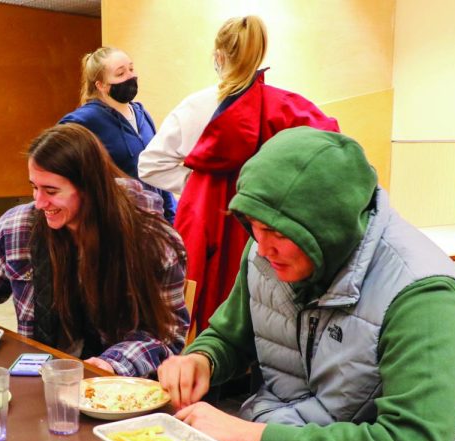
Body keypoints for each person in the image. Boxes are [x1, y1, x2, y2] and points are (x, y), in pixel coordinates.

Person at [157, 128, 455, 441]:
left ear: (327, 231)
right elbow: (232, 336)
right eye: (255, 228)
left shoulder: (421, 294)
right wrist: (203, 359)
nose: (262, 247)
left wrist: (255, 436)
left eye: (276, 232)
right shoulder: (267, 248)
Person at [0, 123, 189, 377]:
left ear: (90, 188)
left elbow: (166, 334)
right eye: (34, 187)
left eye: (51, 190)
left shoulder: (151, 241)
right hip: (45, 378)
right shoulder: (19, 229)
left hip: (122, 393)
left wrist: (111, 365)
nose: (39, 203)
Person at [139, 15, 339, 332]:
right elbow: (333, 150)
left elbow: (149, 164)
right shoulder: (288, 108)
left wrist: (199, 184)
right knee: (268, 313)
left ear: (218, 56)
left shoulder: (194, 106)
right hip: (267, 226)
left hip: (207, 223)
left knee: (202, 319)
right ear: (260, 55)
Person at [59, 47, 177, 224]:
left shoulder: (142, 114)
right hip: (119, 223)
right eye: (120, 73)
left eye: (131, 69)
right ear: (101, 85)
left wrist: (172, 216)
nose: (130, 77)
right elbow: (57, 162)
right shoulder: (85, 120)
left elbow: (157, 168)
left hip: (155, 219)